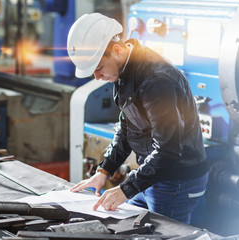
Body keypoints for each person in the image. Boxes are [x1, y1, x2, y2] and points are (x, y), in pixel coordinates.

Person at [67, 13, 208, 224]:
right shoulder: (124, 72)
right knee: (127, 227)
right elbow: (126, 127)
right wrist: (104, 171)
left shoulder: (157, 81)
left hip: (175, 180)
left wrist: (127, 188)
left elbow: (168, 150)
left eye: (98, 68)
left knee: (161, 237)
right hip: (151, 175)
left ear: (116, 50)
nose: (96, 77)